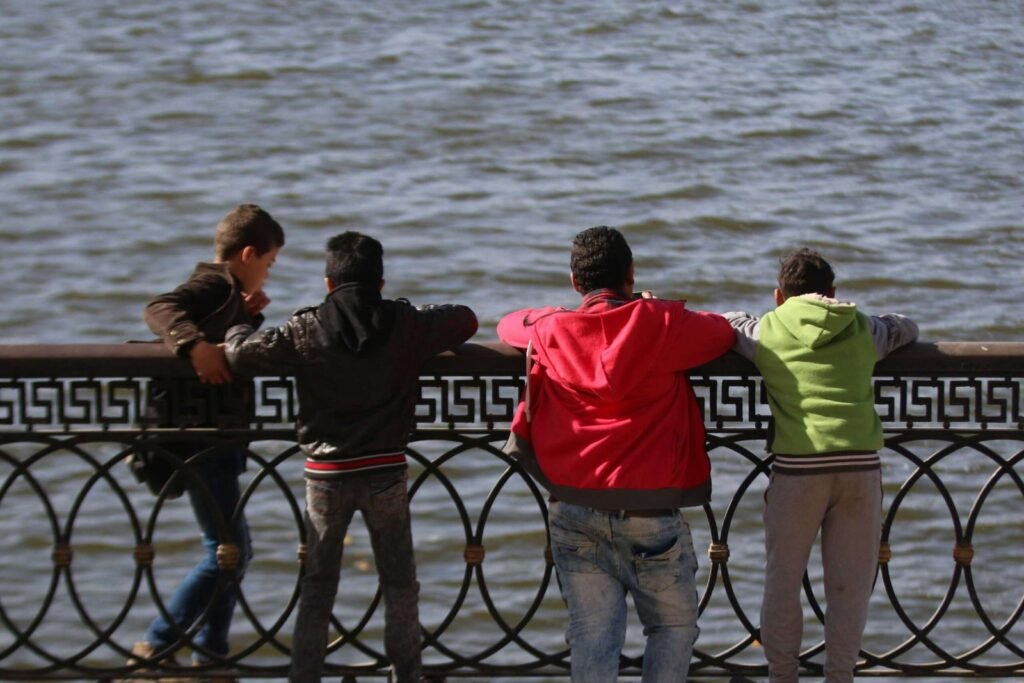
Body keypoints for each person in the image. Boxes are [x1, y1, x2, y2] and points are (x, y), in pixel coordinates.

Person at [223, 231, 478, 683]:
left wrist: (240, 321)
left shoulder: (304, 328)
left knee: (318, 586)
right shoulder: (403, 322)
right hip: (385, 472)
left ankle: (305, 677)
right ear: (380, 283)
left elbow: (241, 356)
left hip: (326, 474)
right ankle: (407, 674)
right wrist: (415, 313)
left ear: (327, 283)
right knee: (400, 583)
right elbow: (465, 320)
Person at [496, 226, 735, 683]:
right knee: (671, 627)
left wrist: (549, 314)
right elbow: (721, 332)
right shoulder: (661, 325)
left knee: (591, 635)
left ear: (574, 281)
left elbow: (509, 324)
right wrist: (650, 305)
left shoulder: (549, 329)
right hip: (650, 513)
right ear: (631, 273)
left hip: (574, 507)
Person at [724, 248, 919, 683]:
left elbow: (731, 325)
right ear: (832, 292)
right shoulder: (861, 326)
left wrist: (738, 316)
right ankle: (839, 677)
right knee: (849, 589)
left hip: (797, 469)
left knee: (783, 580)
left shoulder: (768, 330)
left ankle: (782, 675)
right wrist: (890, 320)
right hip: (859, 468)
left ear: (779, 296)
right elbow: (904, 327)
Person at [133, 203, 285, 673]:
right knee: (227, 551)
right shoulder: (216, 283)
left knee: (228, 550)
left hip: (217, 438)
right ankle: (160, 642)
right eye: (269, 262)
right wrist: (194, 347)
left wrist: (246, 318)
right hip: (204, 441)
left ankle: (212, 652)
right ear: (247, 254)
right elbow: (160, 308)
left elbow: (222, 342)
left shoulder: (229, 295)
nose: (268, 272)